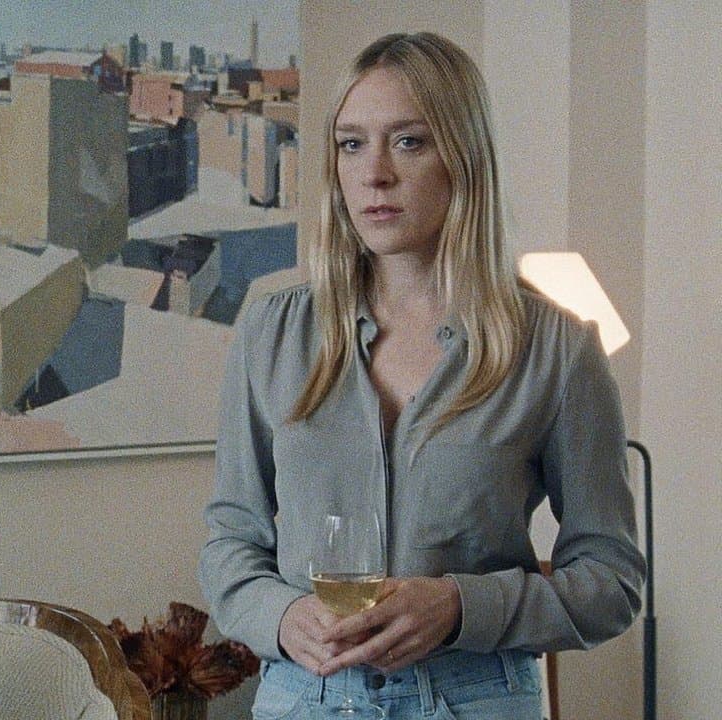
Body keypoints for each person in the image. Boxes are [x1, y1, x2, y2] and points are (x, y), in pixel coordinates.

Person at [198, 32, 644, 719]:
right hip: (305, 696)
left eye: (409, 142)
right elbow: (231, 541)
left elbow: (612, 581)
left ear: (463, 157)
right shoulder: (272, 333)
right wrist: (281, 617)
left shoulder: (556, 349)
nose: (375, 173)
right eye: (352, 144)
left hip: (477, 698)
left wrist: (463, 606)